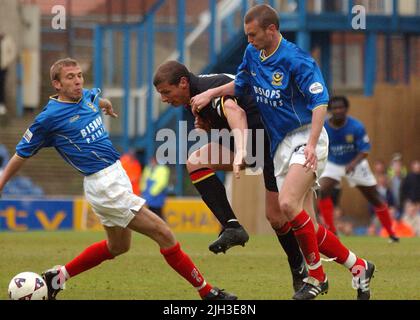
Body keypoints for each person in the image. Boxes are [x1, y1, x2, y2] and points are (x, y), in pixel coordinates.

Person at [0, 58, 236, 300]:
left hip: (115, 175)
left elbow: (96, 99)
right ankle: (207, 292)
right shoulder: (49, 118)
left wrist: (106, 105)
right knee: (164, 233)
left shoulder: (86, 97)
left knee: (119, 247)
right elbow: (21, 153)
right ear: (57, 85)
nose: (78, 81)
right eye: (70, 77)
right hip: (104, 184)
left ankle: (58, 276)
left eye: (79, 75)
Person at [190, 4, 375, 300]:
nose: (248, 40)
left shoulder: (296, 59)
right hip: (279, 147)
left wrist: (313, 144)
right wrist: (210, 93)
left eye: (253, 34)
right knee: (307, 229)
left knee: (288, 205)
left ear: (271, 30)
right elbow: (240, 84)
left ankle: (315, 277)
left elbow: (319, 102)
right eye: (247, 35)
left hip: (304, 137)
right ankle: (359, 266)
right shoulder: (252, 54)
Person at [153, 60, 307, 293]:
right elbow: (230, 113)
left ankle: (301, 269)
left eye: (166, 92)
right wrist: (211, 127)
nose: (164, 98)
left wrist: (242, 150)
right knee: (195, 161)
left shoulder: (205, 90)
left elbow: (236, 112)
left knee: (276, 217)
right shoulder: (193, 96)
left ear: (183, 83)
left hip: (273, 144)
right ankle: (232, 226)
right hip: (253, 143)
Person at [318, 96, 399, 243]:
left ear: (346, 109)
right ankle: (331, 231)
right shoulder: (324, 127)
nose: (338, 110)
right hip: (333, 163)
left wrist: (352, 164)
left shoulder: (356, 126)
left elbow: (365, 150)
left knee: (373, 197)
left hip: (356, 163)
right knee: (323, 190)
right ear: (330, 110)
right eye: (335, 108)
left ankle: (391, 233)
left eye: (341, 107)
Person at [140, 156, 170, 220]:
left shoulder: (163, 169)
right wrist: (143, 191)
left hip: (157, 195)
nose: (152, 162)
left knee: (158, 212)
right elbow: (143, 179)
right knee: (151, 213)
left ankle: (162, 227)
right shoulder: (148, 168)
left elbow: (161, 183)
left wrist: (152, 193)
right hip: (149, 194)